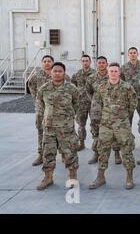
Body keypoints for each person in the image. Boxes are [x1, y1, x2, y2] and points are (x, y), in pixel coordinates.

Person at [89, 63, 137, 190]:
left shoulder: (127, 87)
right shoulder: (101, 87)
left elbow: (133, 105)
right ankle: (100, 177)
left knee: (126, 150)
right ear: (108, 72)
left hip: (122, 124)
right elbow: (98, 103)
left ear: (119, 73)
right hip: (106, 125)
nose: (114, 73)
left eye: (116, 71)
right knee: (102, 150)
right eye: (111, 71)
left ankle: (129, 177)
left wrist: (123, 117)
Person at [35, 62, 80, 190]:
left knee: (70, 152)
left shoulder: (71, 88)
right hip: (49, 128)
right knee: (48, 153)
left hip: (66, 129)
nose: (57, 73)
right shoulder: (44, 89)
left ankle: (72, 177)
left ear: (64, 73)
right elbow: (41, 106)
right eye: (55, 71)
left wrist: (67, 118)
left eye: (60, 71)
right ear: (51, 72)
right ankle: (48, 177)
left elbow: (77, 105)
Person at [28, 55, 70, 166]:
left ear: (53, 62)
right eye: (45, 61)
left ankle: (64, 155)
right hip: (43, 111)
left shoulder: (63, 76)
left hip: (60, 111)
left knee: (62, 133)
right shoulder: (35, 77)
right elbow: (32, 90)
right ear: (42, 63)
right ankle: (41, 155)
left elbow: (71, 93)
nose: (47, 63)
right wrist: (39, 103)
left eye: (49, 61)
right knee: (42, 132)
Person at [85, 56, 122, 164]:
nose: (101, 64)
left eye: (103, 63)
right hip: (96, 110)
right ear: (96, 64)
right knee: (96, 131)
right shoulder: (91, 78)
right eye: (99, 63)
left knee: (114, 130)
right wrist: (94, 102)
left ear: (107, 64)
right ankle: (96, 153)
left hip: (111, 108)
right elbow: (88, 91)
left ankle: (116, 153)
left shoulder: (112, 75)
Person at [71, 54, 96, 151]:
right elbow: (73, 86)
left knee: (95, 123)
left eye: (87, 61)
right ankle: (81, 143)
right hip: (81, 104)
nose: (85, 63)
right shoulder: (77, 74)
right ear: (81, 62)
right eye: (83, 61)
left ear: (90, 62)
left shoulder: (95, 74)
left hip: (93, 103)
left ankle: (96, 143)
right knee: (81, 124)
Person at [120, 47, 140, 116]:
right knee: (127, 120)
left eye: (134, 53)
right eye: (131, 53)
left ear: (137, 54)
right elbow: (121, 82)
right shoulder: (123, 67)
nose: (133, 54)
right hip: (129, 97)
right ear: (128, 55)